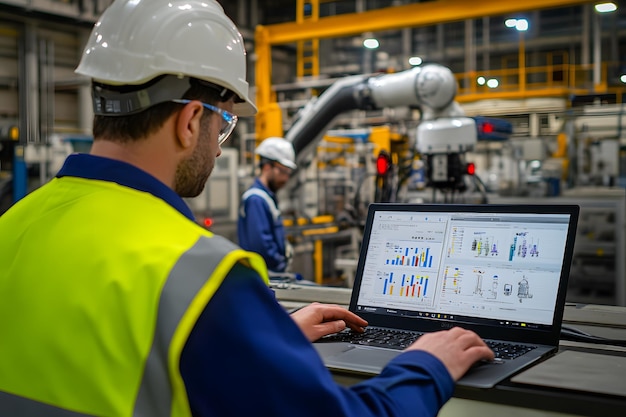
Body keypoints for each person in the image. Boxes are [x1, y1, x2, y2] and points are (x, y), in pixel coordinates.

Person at [0, 1, 493, 416]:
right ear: (191, 121)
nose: (219, 149)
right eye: (224, 126)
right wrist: (426, 364)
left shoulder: (15, 224)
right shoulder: (198, 276)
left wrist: (263, 339)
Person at [237, 137, 296, 275]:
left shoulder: (267, 197)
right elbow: (261, 246)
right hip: (265, 276)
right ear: (267, 167)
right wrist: (281, 265)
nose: (285, 179)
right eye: (282, 172)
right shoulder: (256, 199)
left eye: (288, 173)